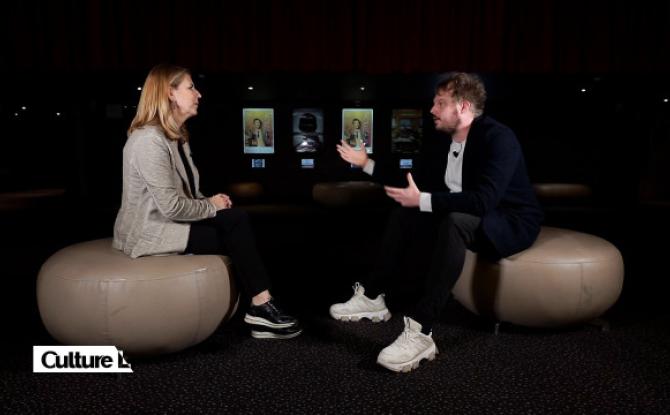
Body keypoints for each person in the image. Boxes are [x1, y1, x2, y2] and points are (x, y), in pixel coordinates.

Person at [331, 72, 543, 372]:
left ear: (464, 107)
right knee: (406, 211)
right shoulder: (444, 141)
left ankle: (422, 330)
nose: (432, 109)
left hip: (509, 222)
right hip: (469, 214)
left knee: (454, 220)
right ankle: (373, 296)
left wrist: (426, 201)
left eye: (440, 103)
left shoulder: (499, 138)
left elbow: (484, 201)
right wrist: (367, 164)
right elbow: (414, 183)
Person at [113, 64, 301, 340]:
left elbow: (188, 194)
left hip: (170, 222)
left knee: (236, 221)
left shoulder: (176, 137)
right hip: (149, 232)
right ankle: (261, 305)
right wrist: (211, 206)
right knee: (236, 223)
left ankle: (261, 304)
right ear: (170, 93)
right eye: (191, 87)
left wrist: (212, 202)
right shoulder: (148, 141)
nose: (198, 94)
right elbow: (172, 206)